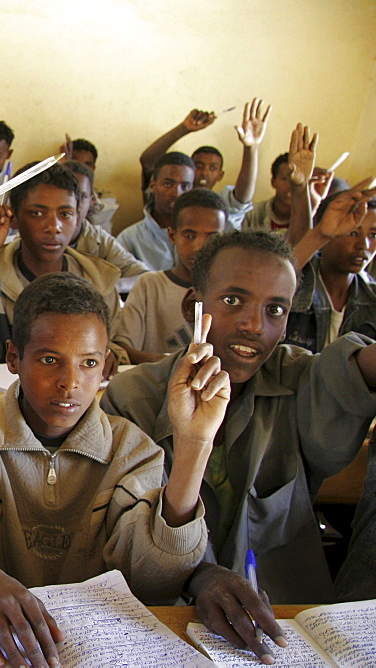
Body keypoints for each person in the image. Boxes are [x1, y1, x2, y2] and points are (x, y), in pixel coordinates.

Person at [102, 185, 376, 661]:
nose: (254, 325)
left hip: (284, 623)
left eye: (275, 310)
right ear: (194, 308)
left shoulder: (297, 381)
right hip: (161, 619)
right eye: (233, 301)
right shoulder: (132, 398)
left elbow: (350, 368)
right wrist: (200, 572)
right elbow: (130, 541)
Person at [0, 272, 225, 667]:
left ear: (106, 367)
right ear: (14, 357)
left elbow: (154, 583)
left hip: (98, 647)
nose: (69, 382)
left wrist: (192, 443)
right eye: (50, 360)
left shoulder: (133, 452)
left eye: (88, 363)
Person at [0, 162, 126, 369]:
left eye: (65, 214)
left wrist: (113, 354)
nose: (54, 227)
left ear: (79, 217)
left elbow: (115, 346)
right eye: (37, 213)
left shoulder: (99, 281)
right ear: (13, 217)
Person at [114, 189, 227, 363]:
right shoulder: (150, 286)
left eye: (211, 237)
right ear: (172, 235)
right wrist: (175, 365)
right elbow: (122, 349)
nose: (199, 246)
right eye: (189, 235)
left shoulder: (230, 293)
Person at [138, 100, 271, 229]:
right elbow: (148, 162)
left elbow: (242, 199)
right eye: (199, 166)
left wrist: (251, 148)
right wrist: (184, 128)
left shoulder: (220, 206)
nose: (204, 173)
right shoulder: (170, 195)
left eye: (212, 168)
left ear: (220, 175)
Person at [284, 192, 376, 352]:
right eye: (353, 233)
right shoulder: (292, 285)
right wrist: (318, 235)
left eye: (373, 235)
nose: (364, 245)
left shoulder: (372, 298)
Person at [63, 160, 149, 292]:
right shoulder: (36, 234)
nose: (74, 203)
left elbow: (143, 277)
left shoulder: (98, 239)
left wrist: (110, 287)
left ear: (91, 200)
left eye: (82, 195)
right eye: (67, 195)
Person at [117, 152, 195, 271]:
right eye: (168, 184)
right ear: (153, 185)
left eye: (185, 186)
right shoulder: (129, 239)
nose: (176, 193)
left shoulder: (202, 235)